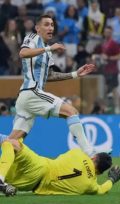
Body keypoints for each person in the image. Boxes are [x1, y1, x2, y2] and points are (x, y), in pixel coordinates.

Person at [6, 14, 97, 168]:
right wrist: (49, 48)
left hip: (28, 97)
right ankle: (91, 155)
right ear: (37, 28)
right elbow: (23, 53)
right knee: (71, 111)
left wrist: (75, 74)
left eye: (52, 25)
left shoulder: (47, 52)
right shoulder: (33, 37)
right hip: (32, 91)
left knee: (12, 142)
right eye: (47, 24)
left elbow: (50, 75)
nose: (50, 28)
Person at [0, 136, 120, 196]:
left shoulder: (77, 153)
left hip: (39, 167)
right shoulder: (90, 186)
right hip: (28, 186)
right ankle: (2, 181)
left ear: (94, 157)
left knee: (11, 143)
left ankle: (1, 179)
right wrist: (111, 180)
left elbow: (63, 159)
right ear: (100, 172)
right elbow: (102, 190)